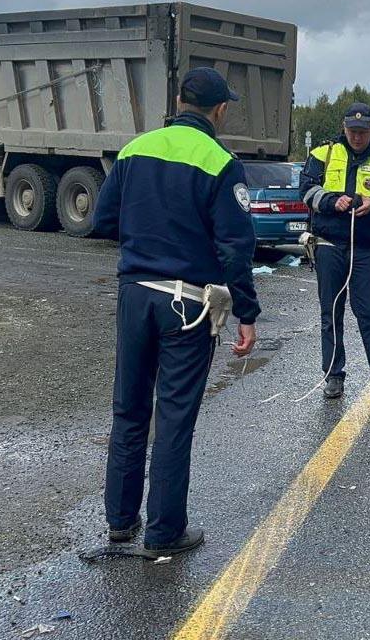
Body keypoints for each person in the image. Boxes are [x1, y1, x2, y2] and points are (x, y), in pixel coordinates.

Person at [91, 67, 259, 556]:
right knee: (174, 416)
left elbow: (103, 220)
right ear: (219, 109)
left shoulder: (134, 149)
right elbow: (234, 247)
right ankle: (164, 533)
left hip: (135, 292)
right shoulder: (220, 161)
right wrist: (247, 313)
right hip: (187, 302)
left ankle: (120, 522)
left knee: (128, 410)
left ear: (180, 100)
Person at [299, 102, 370, 400]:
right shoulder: (322, 154)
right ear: (344, 127)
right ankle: (333, 376)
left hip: (365, 249)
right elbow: (306, 190)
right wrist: (330, 201)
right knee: (330, 314)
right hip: (329, 246)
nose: (357, 137)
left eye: (363, 131)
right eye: (352, 131)